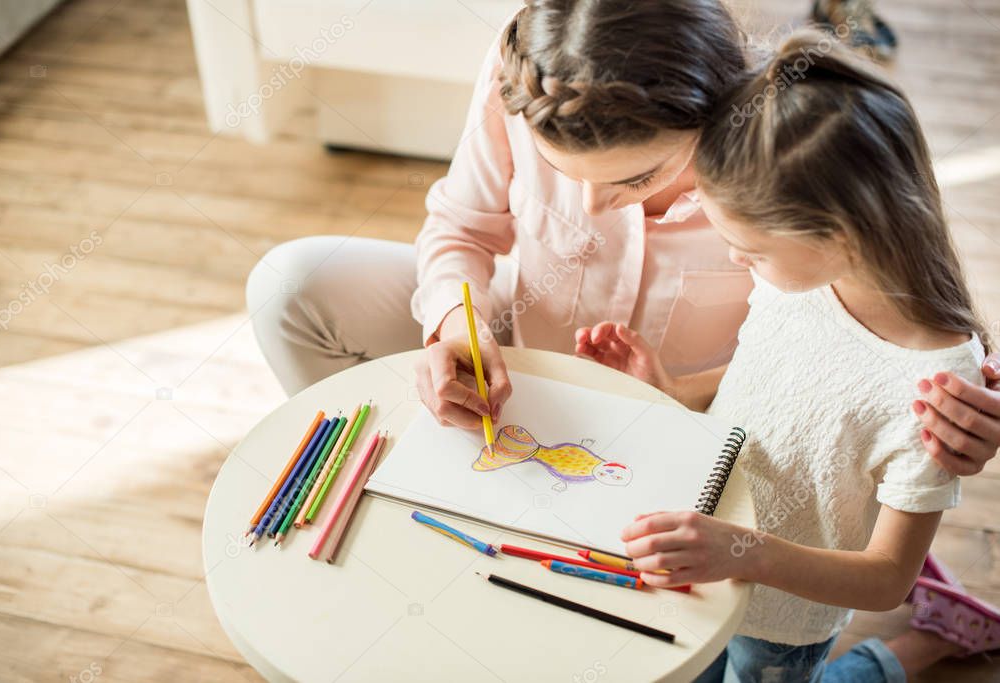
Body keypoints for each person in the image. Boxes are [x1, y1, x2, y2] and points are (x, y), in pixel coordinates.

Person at [246, 1, 1000, 480]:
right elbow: (461, 226)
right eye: (558, 171)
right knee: (292, 284)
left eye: (636, 179)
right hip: (524, 363)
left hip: (701, 419)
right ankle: (400, 477)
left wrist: (951, 414)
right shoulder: (528, 74)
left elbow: (888, 327)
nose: (594, 205)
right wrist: (458, 323)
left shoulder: (783, 160)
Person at [577, 31, 999, 681]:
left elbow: (886, 577)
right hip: (705, 552)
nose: (738, 261)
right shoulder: (796, 279)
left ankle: (913, 649)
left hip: (781, 614)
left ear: (837, 232)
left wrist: (743, 551)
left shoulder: (935, 384)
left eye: (748, 248)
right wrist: (672, 387)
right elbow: (772, 380)